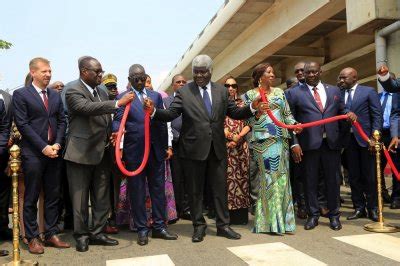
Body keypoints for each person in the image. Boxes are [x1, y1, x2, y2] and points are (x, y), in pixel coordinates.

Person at [144, 54, 265, 243]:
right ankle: (199, 226)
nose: (199, 76)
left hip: (217, 149)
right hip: (192, 150)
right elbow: (171, 113)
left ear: (211, 72)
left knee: (219, 189)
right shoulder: (184, 92)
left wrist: (252, 107)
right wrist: (153, 112)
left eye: (203, 72)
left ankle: (223, 226)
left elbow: (235, 112)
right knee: (195, 191)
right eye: (196, 72)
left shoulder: (222, 91)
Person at [64, 56, 134, 252]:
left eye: (101, 71)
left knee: (101, 196)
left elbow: (105, 116)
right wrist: (117, 103)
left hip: (102, 152)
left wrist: (112, 132)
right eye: (97, 72)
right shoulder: (73, 91)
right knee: (79, 198)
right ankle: (82, 235)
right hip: (80, 153)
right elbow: (86, 108)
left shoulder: (102, 91)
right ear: (84, 72)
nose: (100, 75)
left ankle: (97, 232)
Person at [287, 61, 357, 231]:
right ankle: (313, 215)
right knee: (309, 181)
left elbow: (342, 112)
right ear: (303, 73)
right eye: (308, 72)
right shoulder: (294, 93)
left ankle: (334, 216)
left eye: (314, 72)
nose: (311, 75)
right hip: (309, 145)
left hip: (331, 144)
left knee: (332, 181)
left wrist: (349, 116)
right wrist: (294, 144)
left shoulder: (334, 90)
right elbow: (289, 121)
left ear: (321, 72)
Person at [112, 64, 177, 246]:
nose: (140, 82)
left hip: (156, 150)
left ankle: (159, 227)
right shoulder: (123, 98)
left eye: (143, 78)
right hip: (135, 153)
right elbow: (118, 121)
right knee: (137, 191)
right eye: (136, 79)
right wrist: (117, 133)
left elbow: (163, 120)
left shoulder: (155, 96)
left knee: (158, 190)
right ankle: (142, 229)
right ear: (129, 80)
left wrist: (165, 146)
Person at [12, 57, 70, 254]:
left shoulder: (54, 95)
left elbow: (62, 121)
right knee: (32, 196)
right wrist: (43, 146)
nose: (48, 74)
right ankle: (33, 237)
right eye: (44, 71)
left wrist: (57, 143)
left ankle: (51, 233)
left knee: (53, 194)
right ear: (33, 72)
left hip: (54, 152)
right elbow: (23, 124)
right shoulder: (21, 95)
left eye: (50, 71)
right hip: (33, 154)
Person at [244, 63, 301, 234]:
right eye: (268, 72)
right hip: (263, 142)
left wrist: (295, 125)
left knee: (282, 180)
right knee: (268, 179)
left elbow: (287, 115)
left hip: (281, 140)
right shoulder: (250, 95)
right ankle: (268, 223)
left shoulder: (279, 92)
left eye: (272, 72)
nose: (272, 74)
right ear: (259, 75)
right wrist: (259, 112)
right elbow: (247, 120)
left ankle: (283, 223)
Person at [338, 67, 382, 222]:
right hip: (348, 142)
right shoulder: (338, 94)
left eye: (344, 78)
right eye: (340, 78)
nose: (341, 80)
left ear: (354, 78)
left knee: (369, 177)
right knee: (354, 176)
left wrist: (374, 138)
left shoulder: (368, 92)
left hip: (366, 141)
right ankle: (359, 208)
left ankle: (373, 209)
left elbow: (376, 115)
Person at [163, 74, 191, 220]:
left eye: (183, 81)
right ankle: (177, 209)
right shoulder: (166, 101)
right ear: (173, 85)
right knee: (176, 177)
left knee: (189, 177)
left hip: (190, 144)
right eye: (178, 82)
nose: (181, 83)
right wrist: (176, 136)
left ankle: (186, 209)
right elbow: (165, 122)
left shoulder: (192, 99)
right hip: (174, 145)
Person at [223, 76, 251, 225]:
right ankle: (226, 217)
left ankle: (241, 217)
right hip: (226, 148)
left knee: (242, 179)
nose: (231, 88)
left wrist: (239, 137)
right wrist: (230, 137)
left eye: (233, 85)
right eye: (227, 86)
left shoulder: (243, 104)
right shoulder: (220, 104)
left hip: (241, 147)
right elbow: (217, 124)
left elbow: (249, 123)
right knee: (227, 181)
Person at [378, 73, 400, 209]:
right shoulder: (377, 97)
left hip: (395, 135)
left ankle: (396, 197)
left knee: (396, 166)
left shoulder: (397, 95)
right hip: (380, 135)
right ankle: (382, 193)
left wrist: (395, 135)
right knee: (378, 166)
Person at [0, 88, 12, 257]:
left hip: (1, 154)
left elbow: (5, 126)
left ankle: (2, 228)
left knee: (3, 193)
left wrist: (1, 147)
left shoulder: (4, 97)